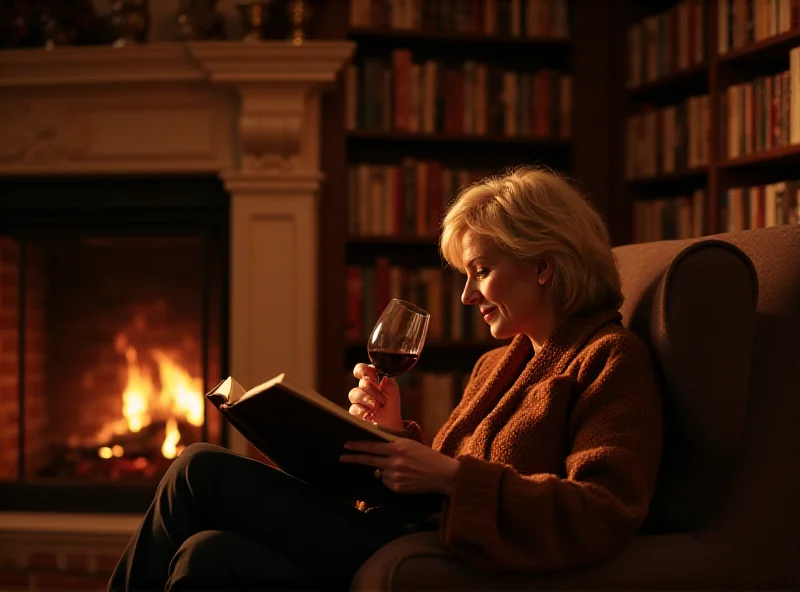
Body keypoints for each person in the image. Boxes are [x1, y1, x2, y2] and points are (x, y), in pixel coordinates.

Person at [108, 166, 663, 591]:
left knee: (198, 469)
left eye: (482, 271)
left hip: (453, 564)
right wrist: (392, 437)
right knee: (204, 557)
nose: (468, 296)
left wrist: (447, 478)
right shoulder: (499, 364)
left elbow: (604, 509)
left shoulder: (611, 359)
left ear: (543, 265)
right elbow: (438, 481)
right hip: (411, 535)